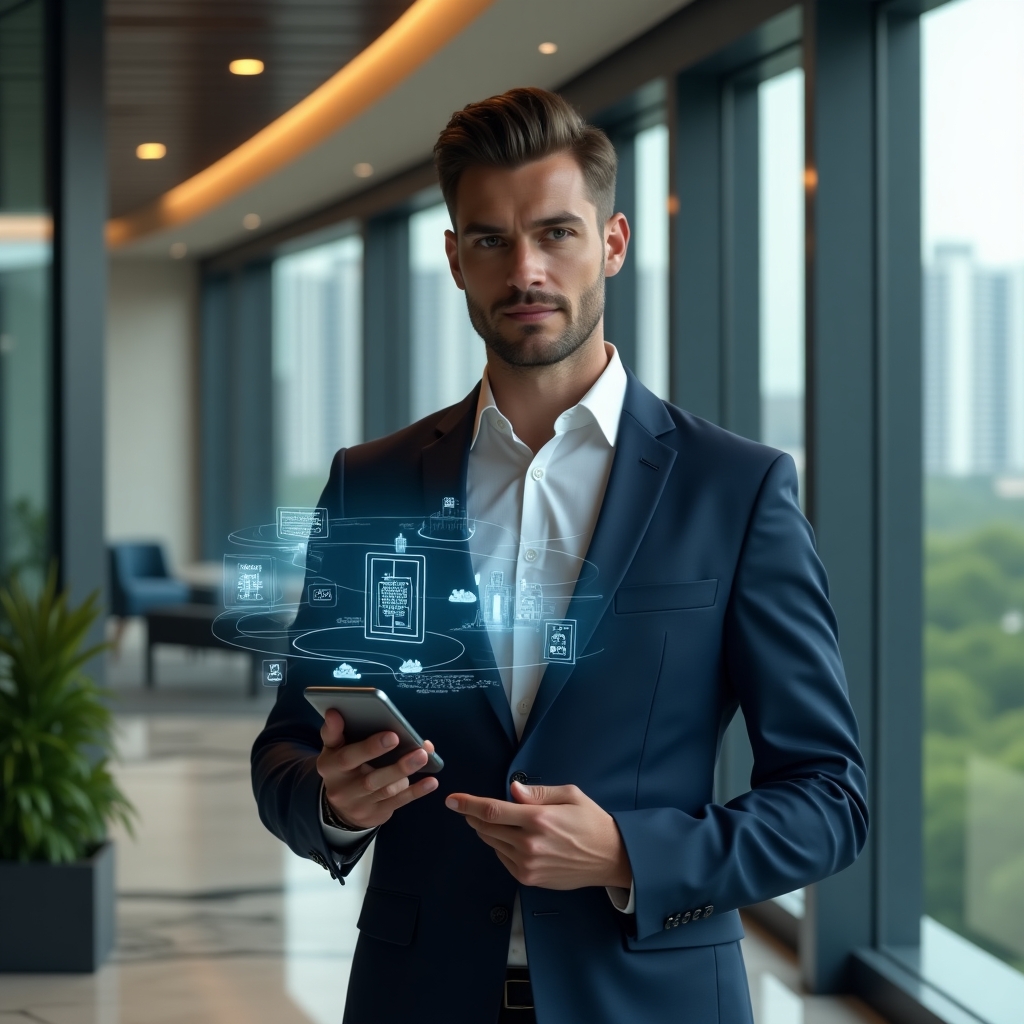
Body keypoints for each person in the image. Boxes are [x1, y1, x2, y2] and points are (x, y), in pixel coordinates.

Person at [251, 87, 868, 1024]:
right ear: (455, 258)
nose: (526, 268)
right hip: (418, 997)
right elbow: (288, 749)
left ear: (613, 243)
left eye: (557, 233)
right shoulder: (371, 483)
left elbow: (830, 799)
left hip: (656, 998)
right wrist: (335, 804)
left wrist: (629, 851)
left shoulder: (734, 489)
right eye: (492, 240)